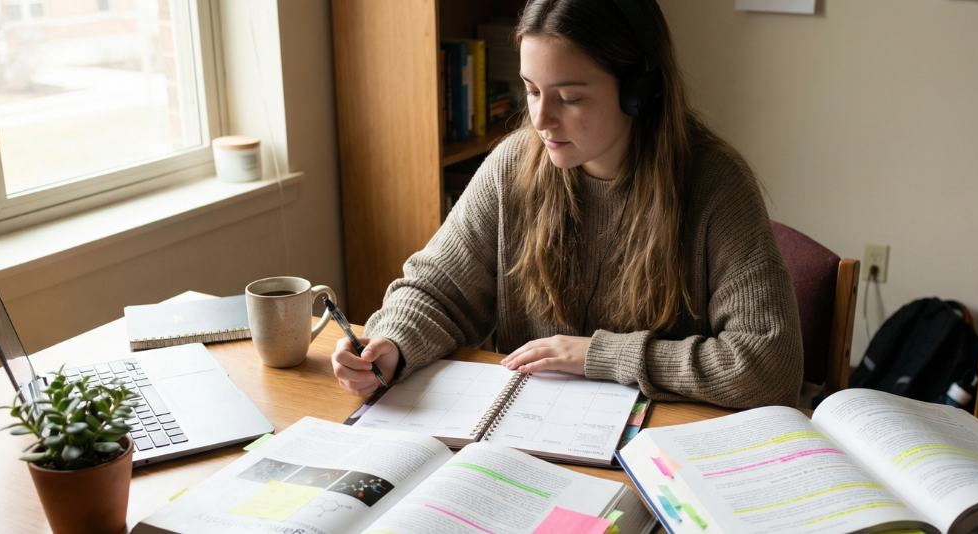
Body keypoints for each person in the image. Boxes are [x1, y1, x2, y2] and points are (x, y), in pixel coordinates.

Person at [331, 0, 803, 409]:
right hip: (530, 439)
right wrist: (392, 342)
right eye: (532, 90)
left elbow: (769, 365)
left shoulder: (716, 185)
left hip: (659, 450)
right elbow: (438, 290)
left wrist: (601, 355)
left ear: (639, 92)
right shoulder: (512, 165)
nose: (540, 119)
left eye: (569, 97)